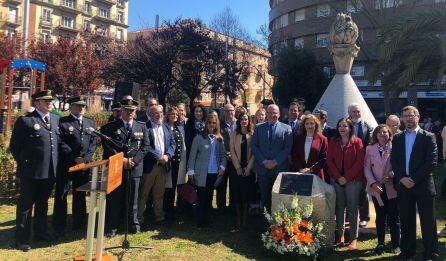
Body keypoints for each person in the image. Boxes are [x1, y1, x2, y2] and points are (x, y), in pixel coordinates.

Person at [10, 90, 65, 251]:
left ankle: (41, 232)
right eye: (46, 101)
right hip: (31, 172)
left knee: (42, 203)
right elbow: (15, 147)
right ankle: (21, 239)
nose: (50, 103)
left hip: (49, 171)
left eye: (51, 100)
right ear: (37, 103)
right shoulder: (26, 121)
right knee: (26, 205)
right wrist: (25, 164)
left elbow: (57, 144)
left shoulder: (55, 119)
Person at [390, 106, 438, 260]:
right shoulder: (397, 138)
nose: (408, 119)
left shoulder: (428, 136)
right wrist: (402, 178)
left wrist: (414, 179)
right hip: (404, 185)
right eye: (405, 116)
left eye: (411, 115)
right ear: (403, 119)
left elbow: (431, 161)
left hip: (423, 184)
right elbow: (394, 161)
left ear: (418, 117)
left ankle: (430, 252)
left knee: (428, 221)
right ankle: (407, 251)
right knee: (406, 220)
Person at [101, 98, 150, 237]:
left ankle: (133, 225)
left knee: (133, 198)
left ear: (135, 112)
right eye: (126, 110)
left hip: (135, 167)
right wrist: (121, 160)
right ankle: (113, 227)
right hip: (117, 167)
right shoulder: (110, 127)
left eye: (132, 110)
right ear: (121, 111)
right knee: (115, 198)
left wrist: (134, 160)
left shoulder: (141, 126)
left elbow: (145, 147)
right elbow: (107, 146)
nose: (129, 112)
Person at [53, 96, 96, 237]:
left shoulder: (90, 122)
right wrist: (74, 158)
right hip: (66, 164)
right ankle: (59, 224)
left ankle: (79, 223)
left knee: (80, 194)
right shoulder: (63, 122)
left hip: (83, 165)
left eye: (83, 106)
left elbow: (93, 143)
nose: (81, 108)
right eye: (78, 106)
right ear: (70, 107)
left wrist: (86, 159)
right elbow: (60, 143)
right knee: (62, 194)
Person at [327, 117, 364, 250]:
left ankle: (353, 238)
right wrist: (338, 177)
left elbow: (360, 162)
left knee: (353, 208)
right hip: (336, 180)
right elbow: (329, 160)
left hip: (353, 181)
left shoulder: (357, 142)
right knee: (339, 208)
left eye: (345, 126)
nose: (342, 128)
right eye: (340, 126)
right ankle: (340, 236)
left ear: (350, 128)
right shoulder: (333, 141)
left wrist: (346, 177)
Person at [364, 124, 400, 254]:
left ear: (389, 134)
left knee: (393, 216)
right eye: (379, 132)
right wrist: (373, 183)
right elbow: (367, 168)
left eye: (385, 132)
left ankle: (396, 244)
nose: (382, 134)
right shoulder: (370, 148)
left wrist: (391, 174)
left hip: (391, 187)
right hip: (376, 187)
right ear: (376, 135)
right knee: (380, 217)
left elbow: (399, 165)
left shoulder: (395, 147)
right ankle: (380, 243)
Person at [138, 105, 175, 225]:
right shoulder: (145, 127)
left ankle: (159, 217)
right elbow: (145, 147)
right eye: (156, 113)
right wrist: (157, 157)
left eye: (160, 112)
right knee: (143, 193)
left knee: (159, 193)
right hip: (150, 166)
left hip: (163, 166)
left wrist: (167, 156)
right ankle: (138, 218)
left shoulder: (166, 127)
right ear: (150, 114)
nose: (159, 115)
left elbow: (172, 144)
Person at [187, 113, 227, 227]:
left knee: (209, 197)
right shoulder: (199, 137)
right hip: (201, 173)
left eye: (214, 123)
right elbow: (192, 155)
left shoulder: (219, 139)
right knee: (201, 197)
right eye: (209, 122)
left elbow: (224, 155)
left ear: (217, 124)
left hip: (214, 173)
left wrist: (223, 167)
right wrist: (191, 171)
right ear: (206, 123)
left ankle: (207, 219)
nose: (211, 125)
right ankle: (200, 220)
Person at [251, 104, 293, 212]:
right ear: (266, 114)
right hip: (263, 169)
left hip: (279, 169)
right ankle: (265, 222)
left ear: (279, 114)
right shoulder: (259, 127)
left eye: (274, 112)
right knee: (264, 197)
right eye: (269, 112)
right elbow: (254, 145)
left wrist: (275, 161)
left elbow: (287, 148)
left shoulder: (287, 128)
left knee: (279, 197)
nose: (272, 115)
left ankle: (278, 224)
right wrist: (264, 161)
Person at [348, 103, 373, 228]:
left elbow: (369, 145)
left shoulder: (367, 126)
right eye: (353, 112)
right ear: (349, 113)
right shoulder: (344, 125)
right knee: (347, 190)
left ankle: (364, 217)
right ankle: (348, 216)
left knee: (363, 190)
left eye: (358, 111)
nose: (356, 114)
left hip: (363, 163)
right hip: (347, 163)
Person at [229, 109, 255, 230]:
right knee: (237, 194)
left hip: (248, 169)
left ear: (249, 121)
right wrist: (238, 167)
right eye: (242, 119)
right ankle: (238, 218)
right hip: (236, 169)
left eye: (246, 119)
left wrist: (248, 168)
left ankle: (245, 219)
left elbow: (255, 153)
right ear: (238, 121)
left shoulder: (253, 134)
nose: (244, 121)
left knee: (246, 195)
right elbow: (232, 151)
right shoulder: (234, 133)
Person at [291, 114, 328, 181]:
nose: (309, 126)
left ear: (316, 124)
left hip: (316, 174)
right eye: (307, 123)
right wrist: (300, 168)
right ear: (304, 125)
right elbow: (294, 155)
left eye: (312, 123)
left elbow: (324, 158)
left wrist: (311, 169)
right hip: (300, 173)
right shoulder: (298, 138)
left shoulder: (323, 139)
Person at [163, 106, 184, 220]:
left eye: (176, 114)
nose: (175, 116)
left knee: (174, 186)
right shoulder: (164, 127)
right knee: (167, 187)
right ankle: (166, 210)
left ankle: (171, 209)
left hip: (177, 163)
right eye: (172, 114)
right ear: (168, 115)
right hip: (168, 162)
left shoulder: (177, 128)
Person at [220, 104, 237, 212]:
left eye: (232, 110)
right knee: (221, 184)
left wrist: (234, 155)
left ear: (234, 111)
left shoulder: (239, 123)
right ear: (224, 112)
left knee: (234, 185)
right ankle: (221, 208)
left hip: (236, 159)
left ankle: (232, 207)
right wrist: (227, 154)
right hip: (223, 159)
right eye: (227, 111)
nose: (230, 112)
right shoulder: (219, 124)